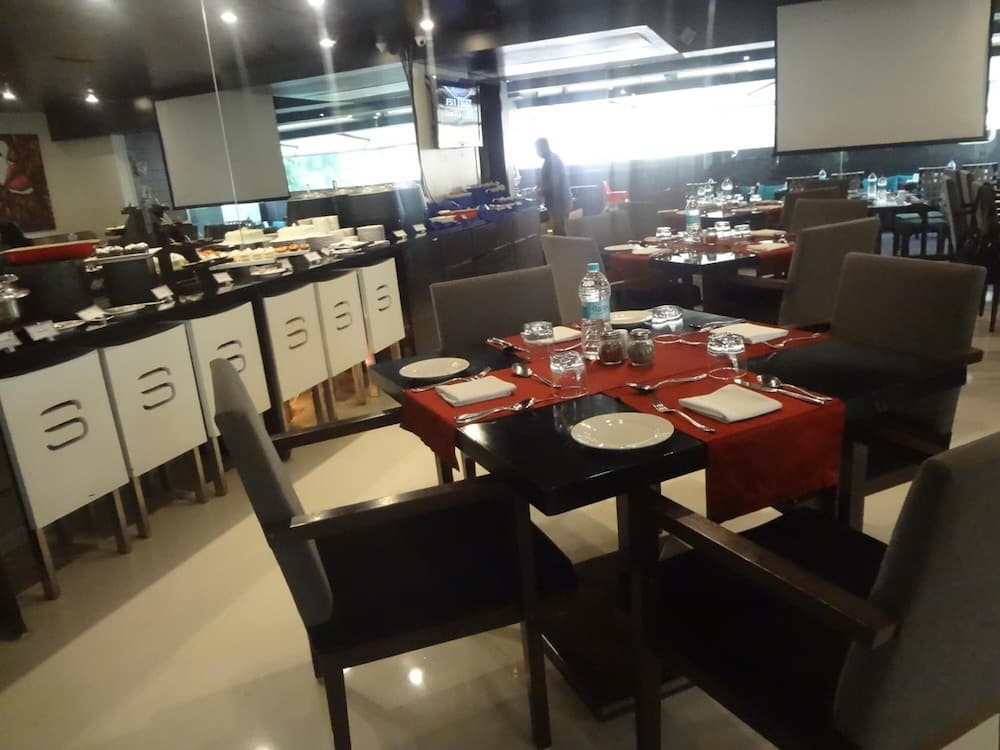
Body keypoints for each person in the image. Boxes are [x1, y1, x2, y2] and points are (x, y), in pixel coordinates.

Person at [535, 138, 570, 235]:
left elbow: (554, 182)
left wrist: (540, 191)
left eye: (537, 149)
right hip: (556, 202)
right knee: (557, 229)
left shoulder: (552, 160)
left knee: (559, 231)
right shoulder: (550, 160)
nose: (537, 152)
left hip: (559, 203)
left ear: (542, 147)